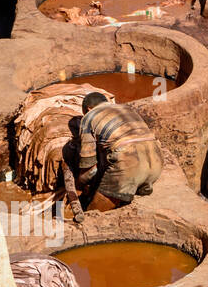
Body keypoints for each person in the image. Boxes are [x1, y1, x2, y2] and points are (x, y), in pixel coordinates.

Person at [62, 92, 163, 221]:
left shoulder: (89, 117)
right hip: (156, 161)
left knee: (93, 217)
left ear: (88, 109)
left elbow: (90, 170)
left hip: (129, 163)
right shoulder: (126, 109)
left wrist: (78, 186)